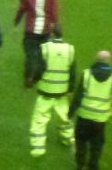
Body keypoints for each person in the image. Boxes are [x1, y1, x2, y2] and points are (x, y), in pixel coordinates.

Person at [28, 26, 76, 157]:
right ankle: (67, 139)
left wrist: (33, 80)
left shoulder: (45, 48)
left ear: (52, 34)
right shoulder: (70, 49)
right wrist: (71, 88)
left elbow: (39, 68)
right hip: (62, 92)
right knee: (65, 117)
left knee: (39, 119)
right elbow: (73, 71)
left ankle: (38, 148)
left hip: (46, 91)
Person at [68, 50, 112, 170]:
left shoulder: (87, 75)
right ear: (109, 61)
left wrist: (70, 112)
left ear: (96, 60)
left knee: (81, 141)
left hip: (84, 116)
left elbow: (78, 96)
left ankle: (80, 165)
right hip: (100, 119)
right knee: (97, 144)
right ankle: (93, 165)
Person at [16, 0, 60, 87]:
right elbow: (54, 12)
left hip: (31, 29)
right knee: (42, 54)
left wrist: (17, 19)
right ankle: (37, 77)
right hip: (45, 30)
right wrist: (57, 26)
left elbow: (22, 7)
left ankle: (28, 78)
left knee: (30, 54)